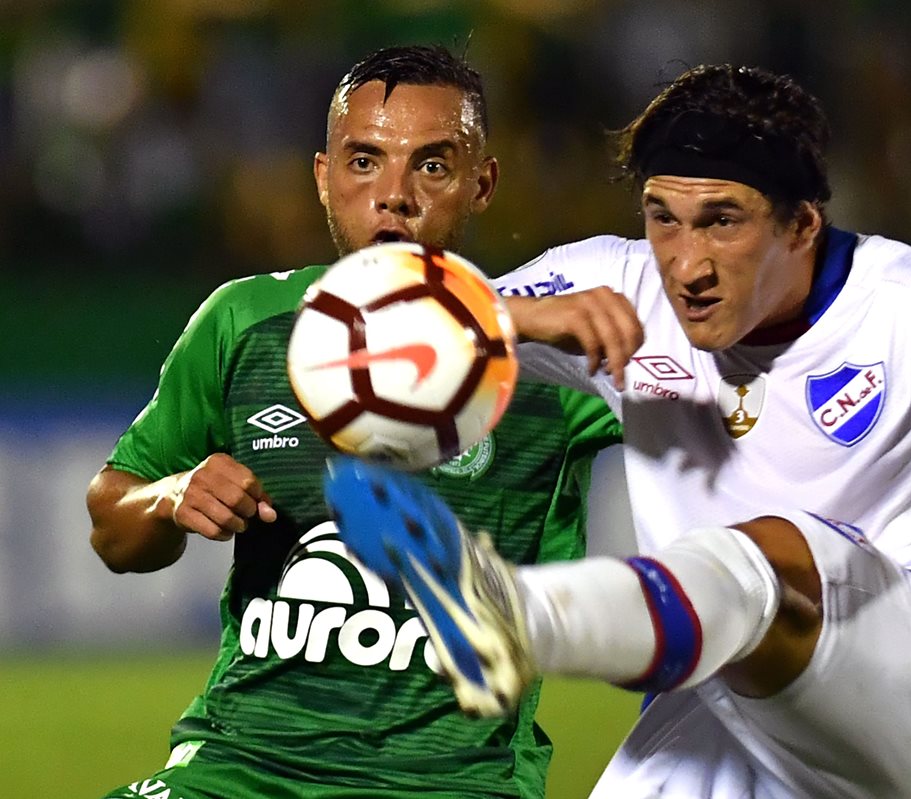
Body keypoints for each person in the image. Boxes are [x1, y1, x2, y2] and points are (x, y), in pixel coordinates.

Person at [325, 63, 911, 798]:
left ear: (801, 226)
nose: (685, 262)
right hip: (723, 703)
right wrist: (516, 316)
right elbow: (359, 348)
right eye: (663, 220)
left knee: (772, 552)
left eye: (722, 222)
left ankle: (516, 617)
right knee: (740, 582)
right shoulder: (618, 285)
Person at [86, 45, 619, 799]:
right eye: (364, 162)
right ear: (322, 177)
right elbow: (112, 523)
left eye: (432, 166)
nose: (393, 196)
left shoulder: (547, 358)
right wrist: (170, 495)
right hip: (241, 764)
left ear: (483, 183)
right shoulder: (247, 322)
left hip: (449, 781)